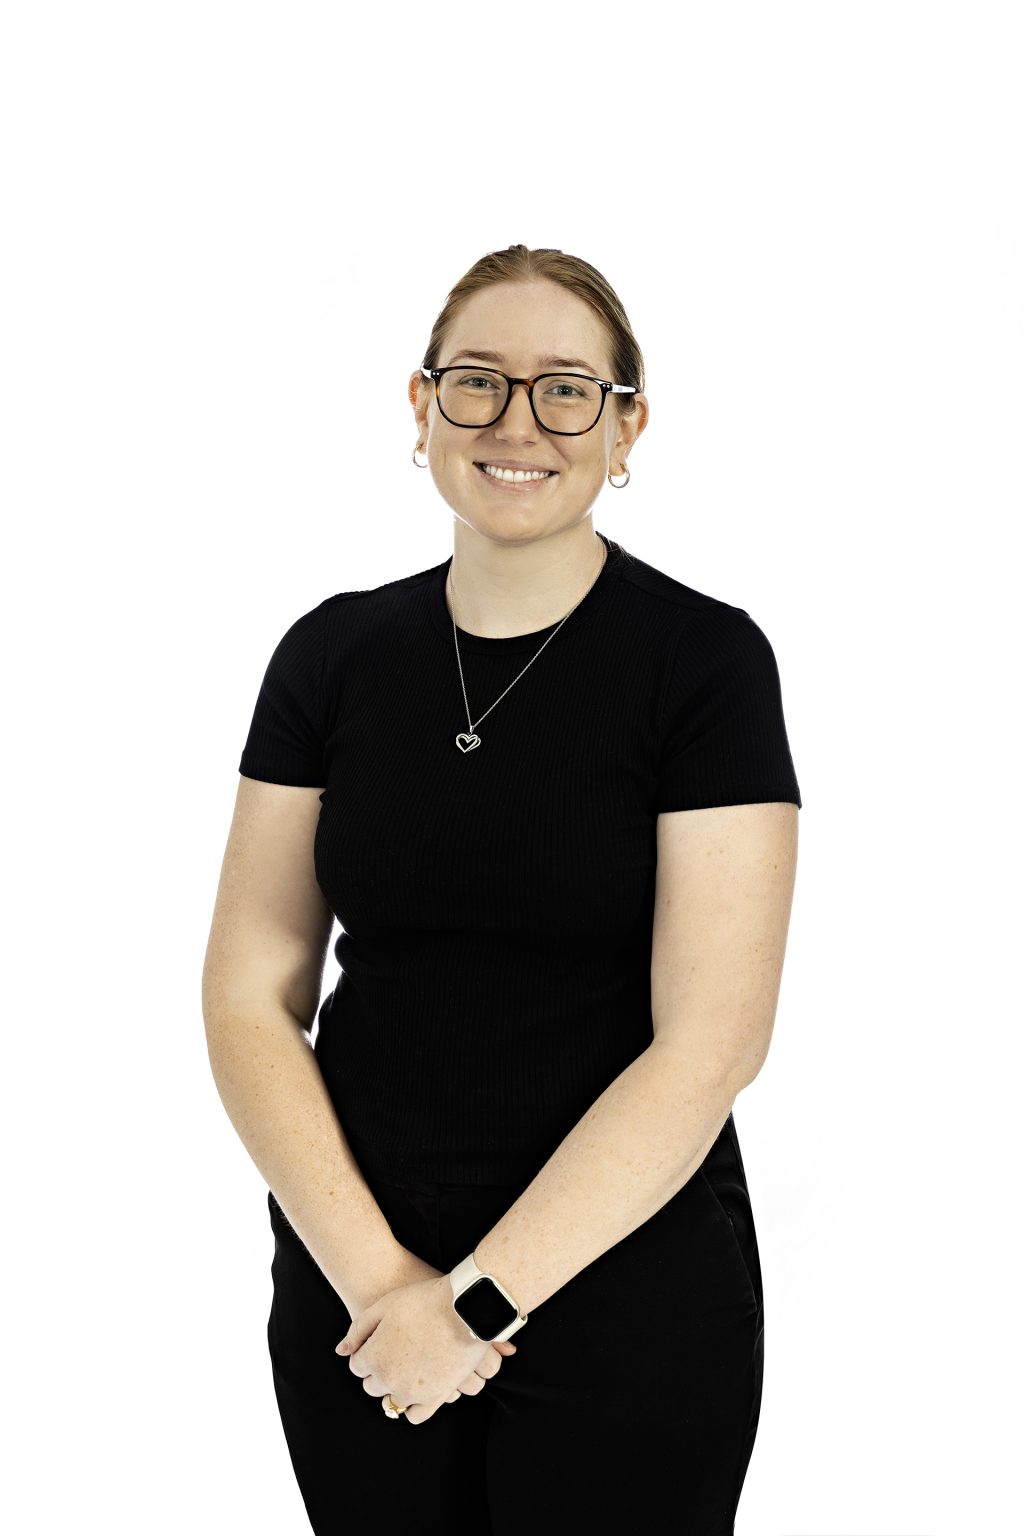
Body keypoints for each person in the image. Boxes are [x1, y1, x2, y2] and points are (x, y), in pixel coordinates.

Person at [202, 242, 801, 1535]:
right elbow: (249, 991)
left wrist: (474, 1305)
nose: (518, 421)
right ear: (420, 410)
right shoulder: (333, 653)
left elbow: (714, 1043)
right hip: (359, 1291)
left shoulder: (702, 663)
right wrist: (383, 1290)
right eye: (476, 381)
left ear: (626, 425)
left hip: (625, 1285)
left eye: (567, 388)